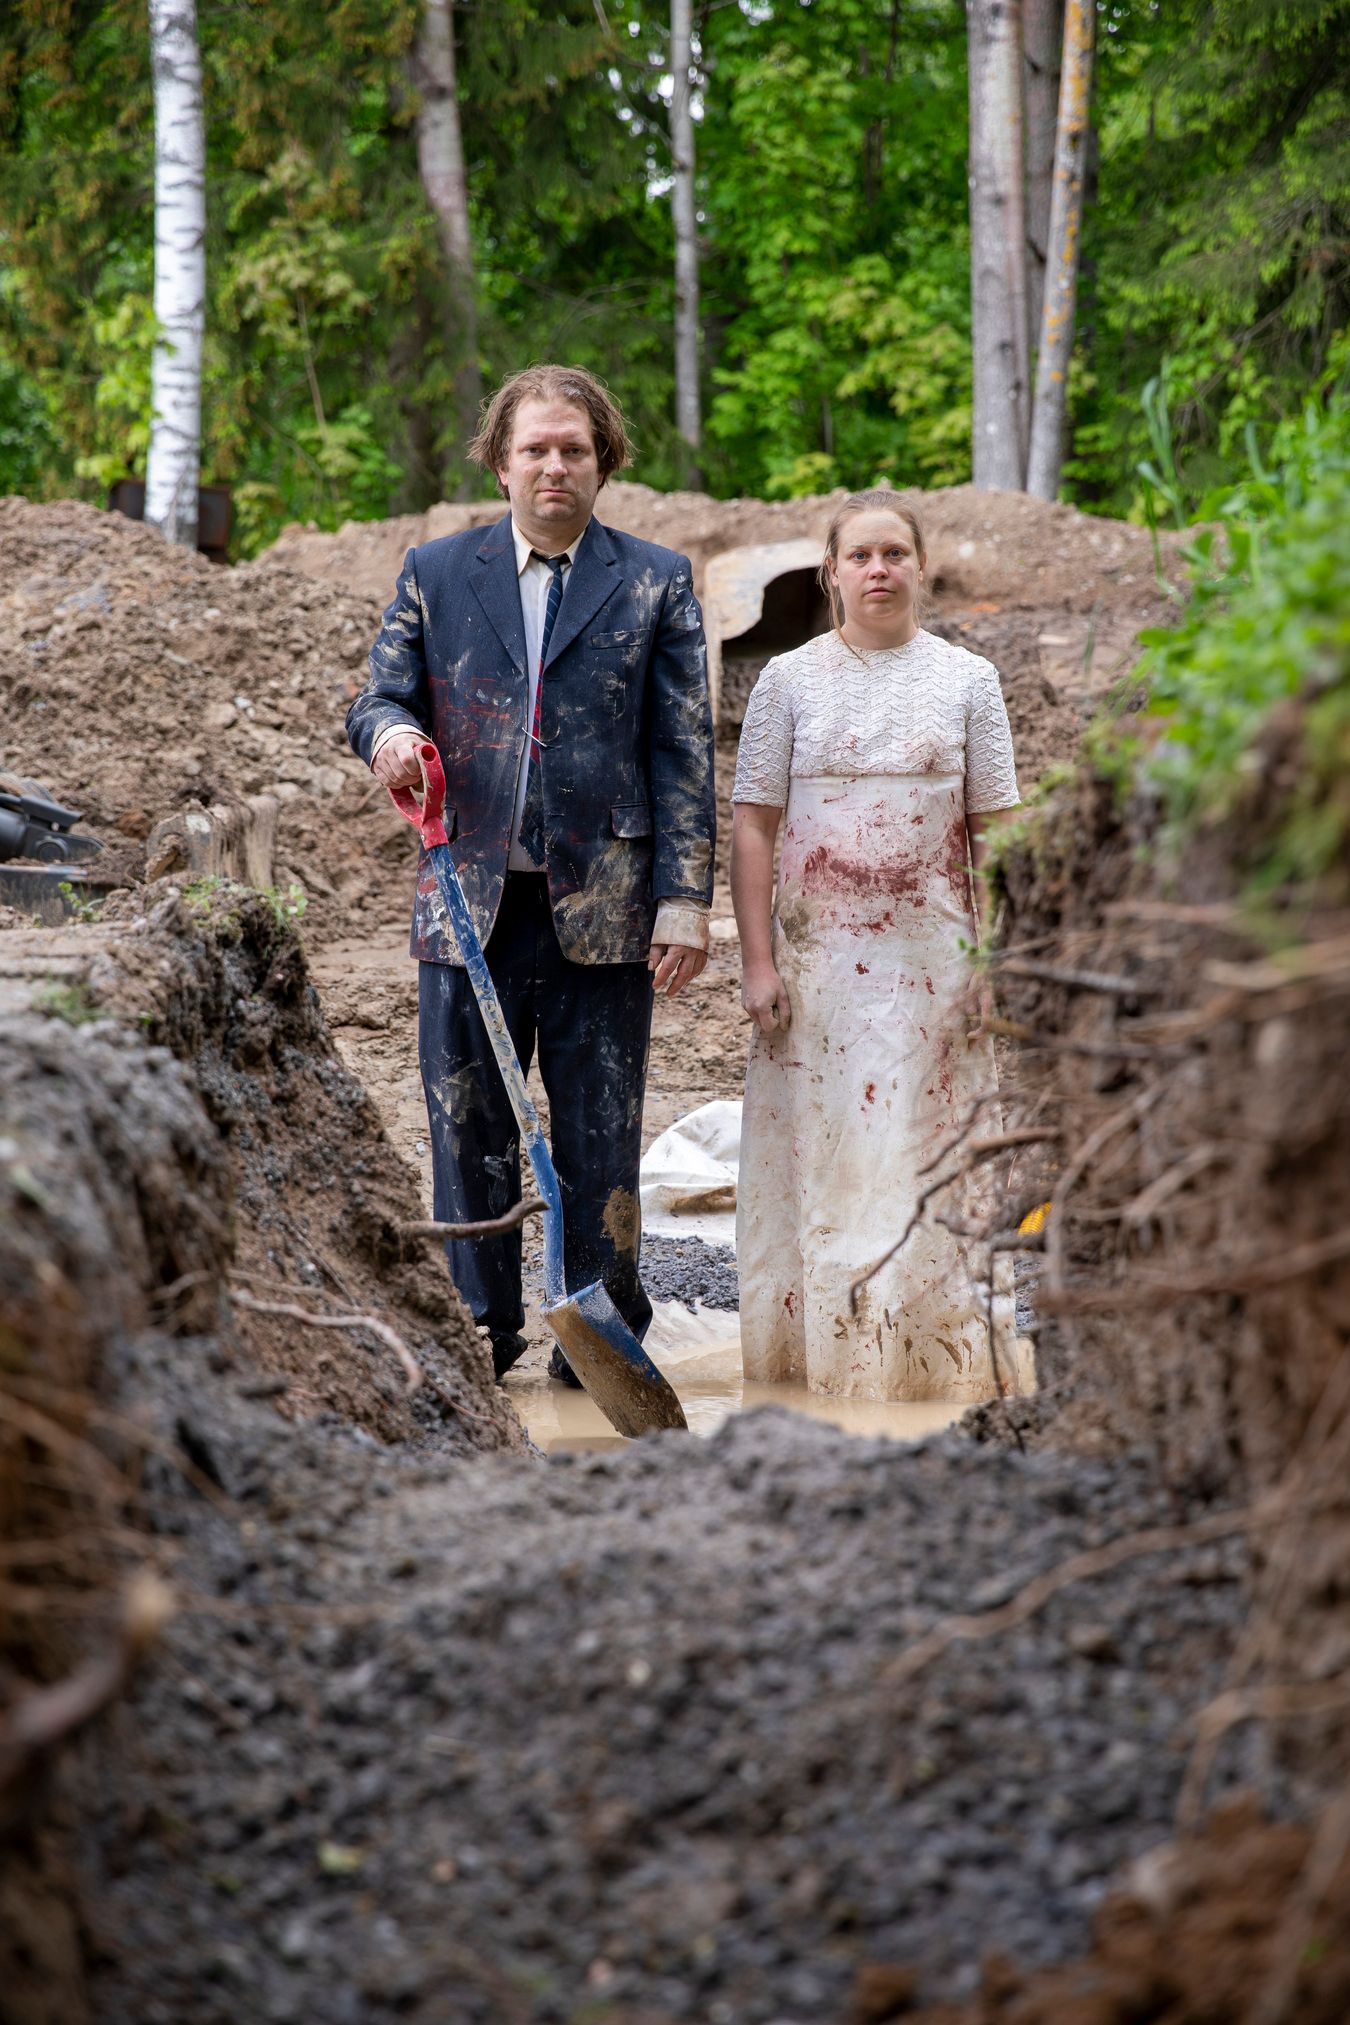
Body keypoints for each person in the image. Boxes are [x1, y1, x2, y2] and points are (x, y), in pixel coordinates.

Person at [347, 365, 715, 1383]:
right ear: (501, 463)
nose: (556, 466)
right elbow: (375, 698)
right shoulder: (436, 570)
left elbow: (684, 751)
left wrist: (686, 899)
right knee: (464, 1119)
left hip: (608, 903)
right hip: (466, 902)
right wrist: (393, 739)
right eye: (536, 449)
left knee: (602, 1126)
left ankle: (600, 1327)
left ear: (603, 463)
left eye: (576, 450)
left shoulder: (654, 582)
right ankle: (481, 1324)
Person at [730, 489, 1023, 1403]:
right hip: (817, 974)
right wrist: (758, 962)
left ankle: (938, 1369)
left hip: (936, 968)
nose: (879, 569)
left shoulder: (969, 680)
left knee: (927, 1151)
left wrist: (994, 963)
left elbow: (998, 836)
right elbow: (751, 829)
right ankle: (817, 1372)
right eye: (860, 555)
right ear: (831, 571)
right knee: (824, 1158)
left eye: (895, 552)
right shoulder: (788, 681)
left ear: (921, 566)